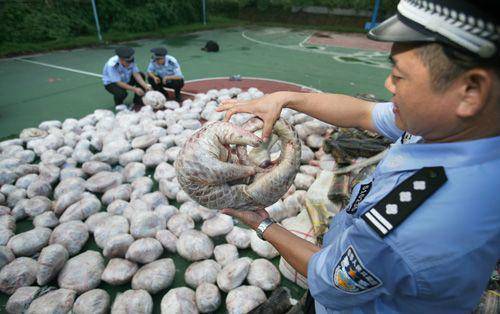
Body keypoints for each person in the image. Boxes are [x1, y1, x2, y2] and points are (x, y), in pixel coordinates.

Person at [216, 0, 499, 313]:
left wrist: (263, 224)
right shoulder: (458, 127)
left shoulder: (414, 223)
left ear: (471, 90)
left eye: (400, 76)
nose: (388, 84)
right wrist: (287, 98)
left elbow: (328, 280)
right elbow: (364, 113)